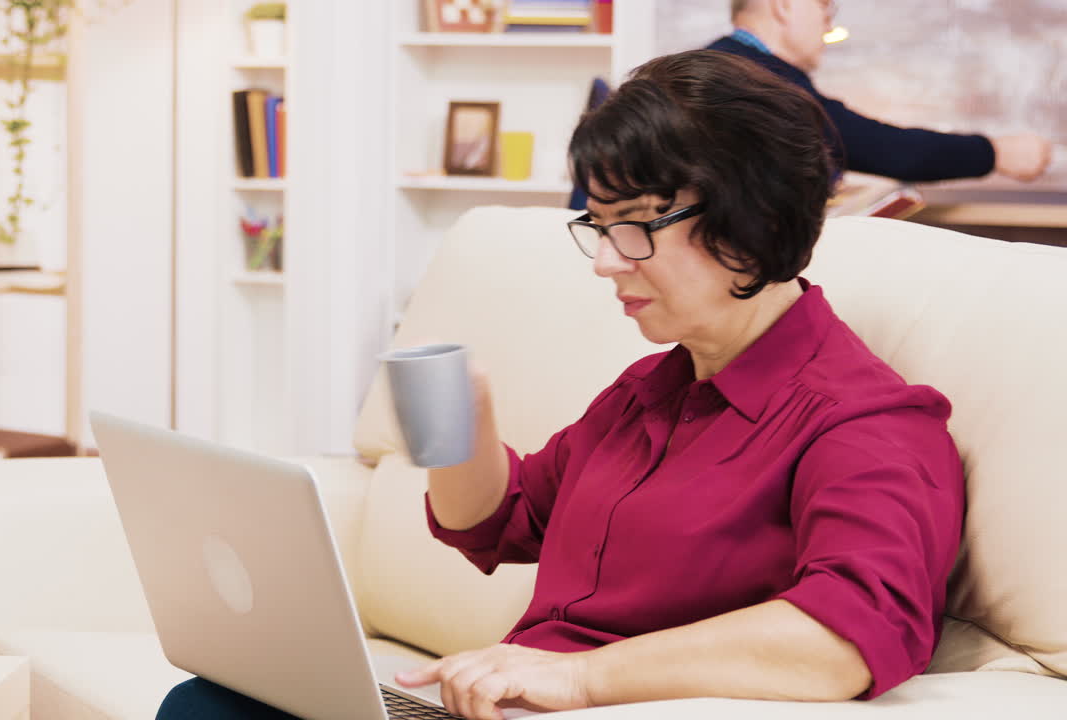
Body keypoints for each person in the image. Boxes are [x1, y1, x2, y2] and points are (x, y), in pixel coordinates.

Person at [157, 50, 965, 720]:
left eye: (635, 226)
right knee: (208, 703)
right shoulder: (651, 389)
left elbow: (844, 643)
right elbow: (501, 520)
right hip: (501, 704)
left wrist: (578, 679)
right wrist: (463, 425)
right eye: (598, 226)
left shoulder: (869, 423)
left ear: (751, 219)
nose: (608, 260)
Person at [710, 0, 1052, 183]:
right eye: (825, 7)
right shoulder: (752, 79)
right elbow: (884, 148)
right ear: (784, 5)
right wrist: (994, 152)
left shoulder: (722, 64)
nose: (829, 25)